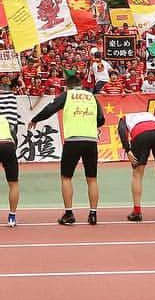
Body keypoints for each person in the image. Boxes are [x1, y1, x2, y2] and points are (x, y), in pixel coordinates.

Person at [29, 71, 104, 225]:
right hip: (90, 140)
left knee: (66, 177)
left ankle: (69, 214)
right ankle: (93, 214)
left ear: (67, 86)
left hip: (73, 140)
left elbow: (50, 109)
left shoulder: (67, 95)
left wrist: (36, 119)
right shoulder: (91, 97)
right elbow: (101, 119)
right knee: (92, 179)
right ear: (81, 85)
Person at [118, 111, 155, 222]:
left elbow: (122, 131)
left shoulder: (124, 118)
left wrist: (127, 149)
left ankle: (137, 212)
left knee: (137, 174)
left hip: (140, 134)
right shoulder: (151, 116)